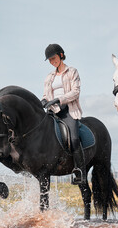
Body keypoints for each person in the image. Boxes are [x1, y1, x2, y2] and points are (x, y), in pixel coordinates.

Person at [41, 43, 86, 184]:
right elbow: (46, 94)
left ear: (61, 55)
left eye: (53, 58)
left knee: (73, 139)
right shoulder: (49, 77)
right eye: (49, 60)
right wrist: (44, 100)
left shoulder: (72, 71)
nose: (52, 62)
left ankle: (79, 171)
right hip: (52, 110)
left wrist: (59, 99)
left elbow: (75, 92)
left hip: (68, 110)